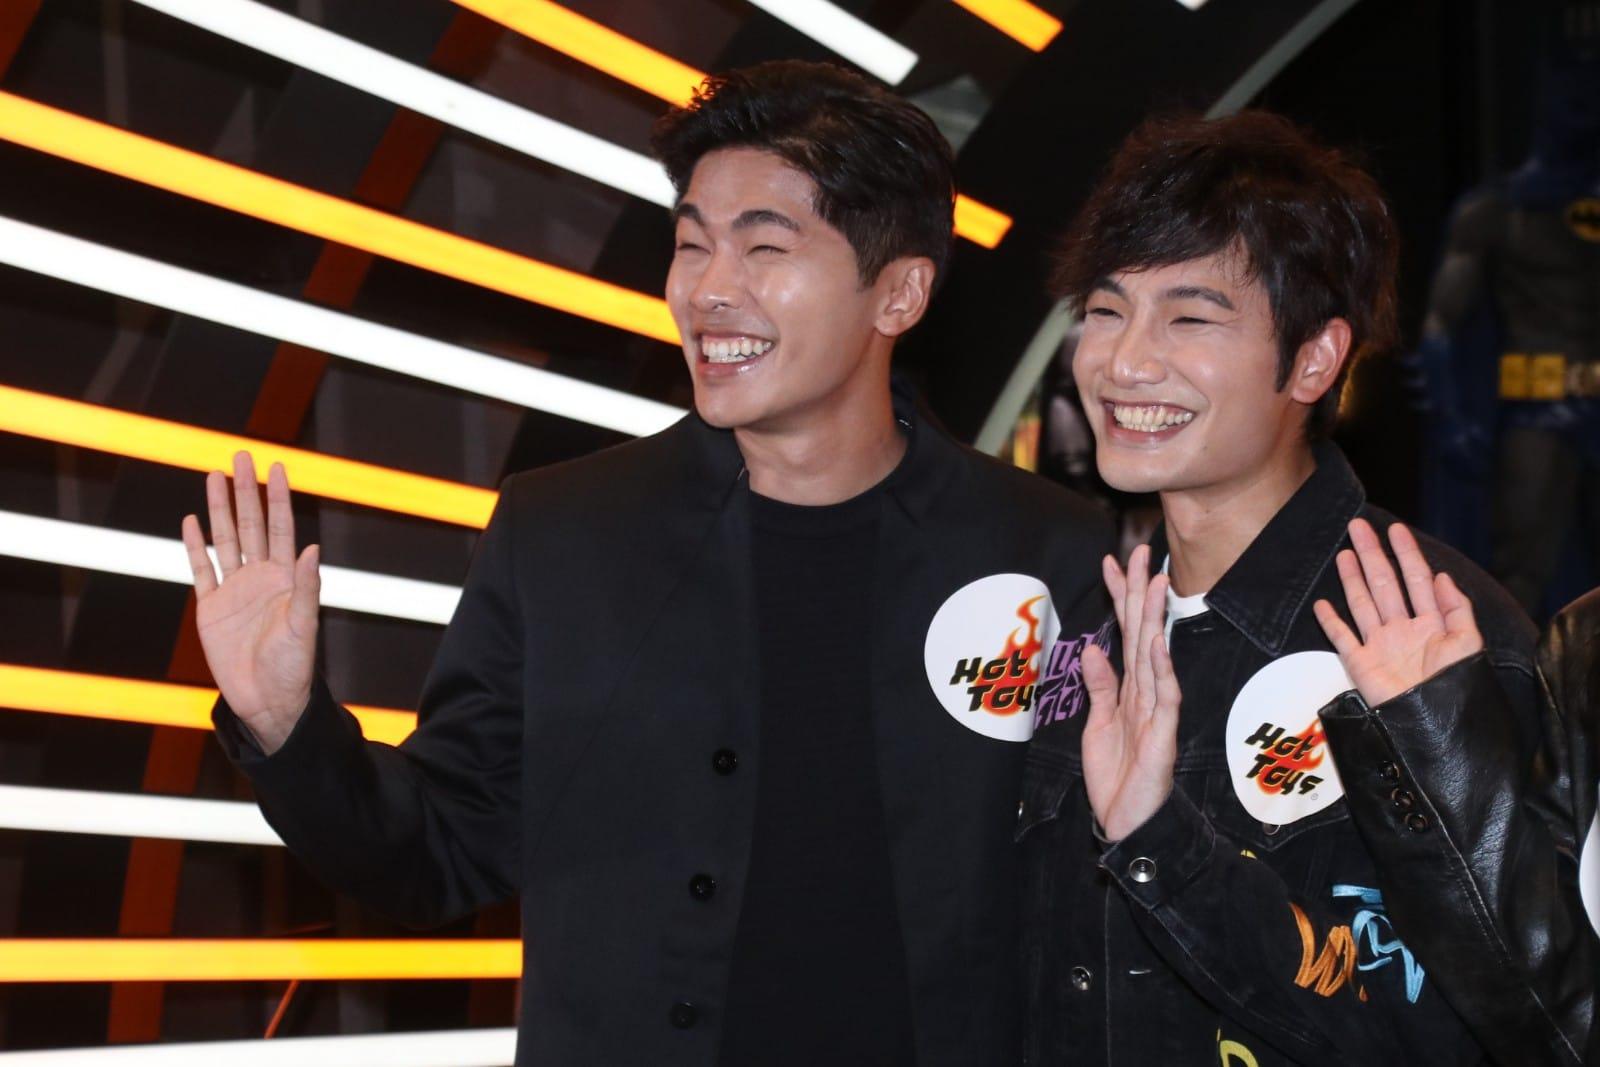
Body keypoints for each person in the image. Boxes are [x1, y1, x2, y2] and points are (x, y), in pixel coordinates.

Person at [180, 60, 1111, 1065]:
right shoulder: (565, 532)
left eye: (764, 247)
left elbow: (1086, 893)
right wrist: (287, 725)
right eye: (692, 245)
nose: (709, 291)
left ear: (899, 292)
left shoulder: (1045, 549)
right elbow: (439, 848)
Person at [1018, 110, 1594, 1066]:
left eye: (1190, 317)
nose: (1123, 361)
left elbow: (1464, 1029)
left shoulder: (1429, 637)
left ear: (1316, 358)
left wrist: (1163, 842)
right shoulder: (1092, 625)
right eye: (1107, 310)